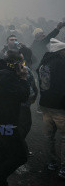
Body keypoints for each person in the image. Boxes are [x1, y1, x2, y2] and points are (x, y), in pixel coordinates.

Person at [0, 51, 30, 186]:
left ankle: (0, 181)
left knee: (3, 152)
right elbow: (23, 96)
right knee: (21, 156)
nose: (23, 65)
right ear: (15, 63)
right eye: (21, 62)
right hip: (6, 121)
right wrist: (24, 79)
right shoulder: (9, 77)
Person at [37, 38, 65, 179]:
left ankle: (51, 163)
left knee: (49, 136)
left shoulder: (44, 62)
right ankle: (64, 168)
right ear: (60, 51)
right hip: (59, 106)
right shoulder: (60, 63)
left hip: (45, 104)